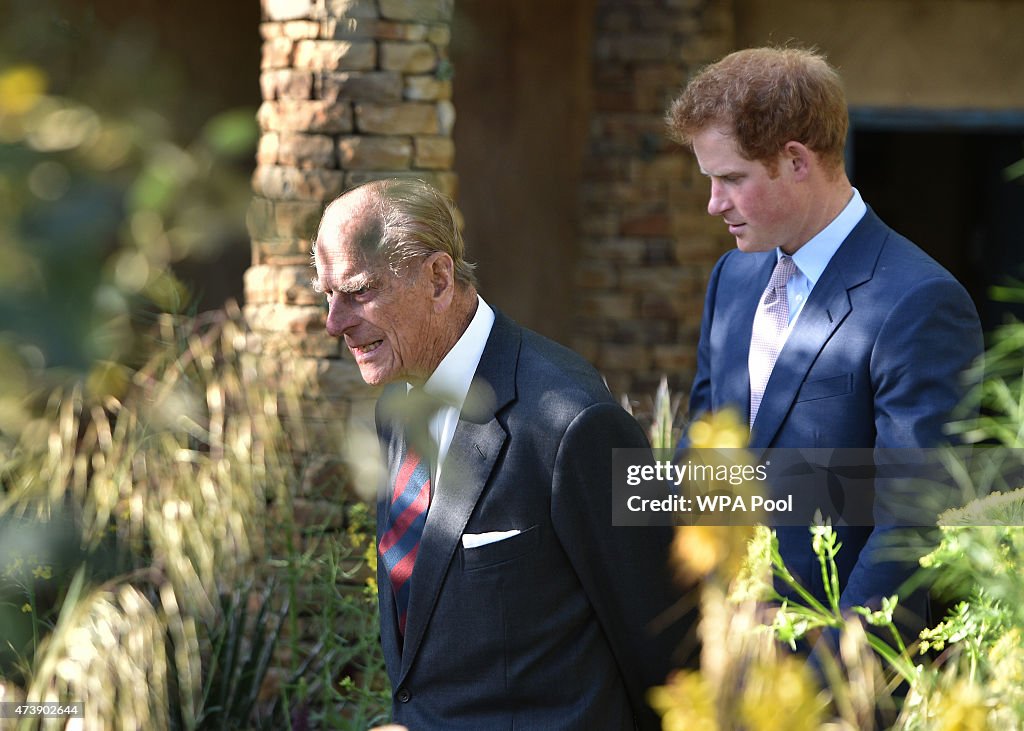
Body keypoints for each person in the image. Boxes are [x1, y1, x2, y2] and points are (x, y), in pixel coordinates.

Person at [311, 178, 687, 730]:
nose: (334, 323)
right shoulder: (397, 407)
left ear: (438, 279)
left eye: (359, 291)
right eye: (327, 294)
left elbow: (666, 652)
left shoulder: (575, 422)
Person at [666, 48, 982, 636]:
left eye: (731, 178)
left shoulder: (920, 303)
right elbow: (706, 450)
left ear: (795, 161)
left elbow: (912, 524)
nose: (714, 204)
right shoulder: (732, 279)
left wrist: (830, 686)